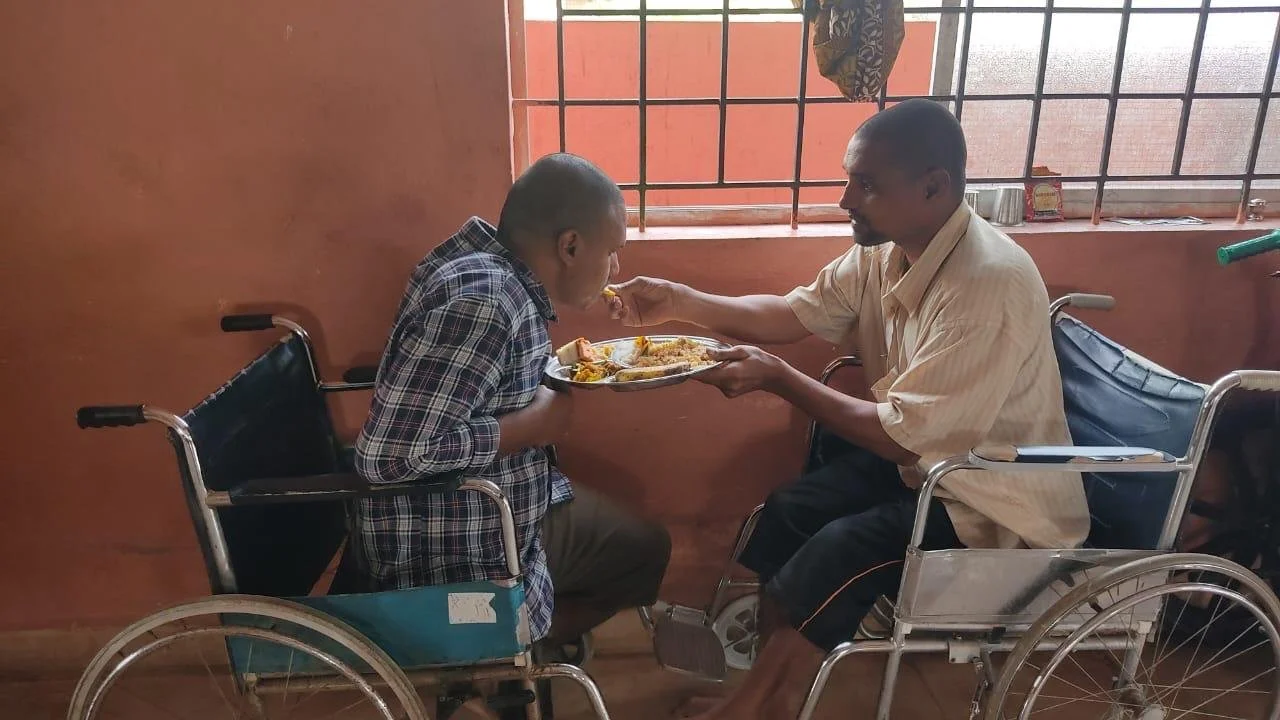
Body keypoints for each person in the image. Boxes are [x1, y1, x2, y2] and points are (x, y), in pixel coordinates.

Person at [605, 99, 1090, 719]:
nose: (845, 201)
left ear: (933, 187)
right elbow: (791, 314)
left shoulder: (986, 284)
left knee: (845, 547)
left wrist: (779, 379)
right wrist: (678, 300)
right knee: (790, 511)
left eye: (866, 185)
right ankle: (771, 695)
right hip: (931, 467)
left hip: (994, 499)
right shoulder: (886, 250)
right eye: (848, 179)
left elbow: (899, 439)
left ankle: (758, 708)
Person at [353, 153, 672, 660]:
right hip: (459, 539)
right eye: (613, 252)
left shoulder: (495, 277)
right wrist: (537, 424)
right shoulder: (487, 301)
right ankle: (509, 648)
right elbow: (389, 457)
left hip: (508, 498)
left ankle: (521, 646)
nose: (617, 268)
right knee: (643, 555)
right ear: (569, 246)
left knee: (644, 545)